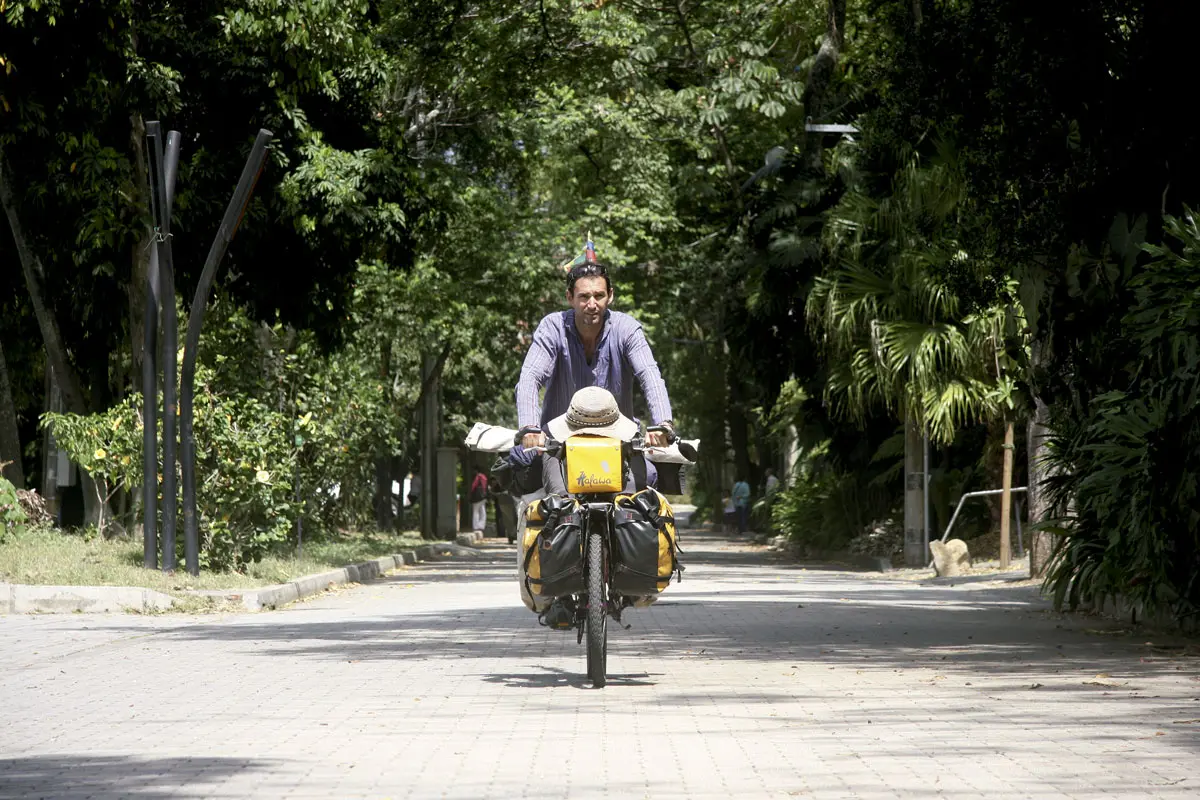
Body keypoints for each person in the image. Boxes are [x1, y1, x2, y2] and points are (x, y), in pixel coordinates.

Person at [514, 248, 675, 496]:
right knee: (553, 505)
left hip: (620, 442)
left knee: (641, 501)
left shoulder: (627, 329)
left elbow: (650, 375)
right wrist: (530, 428)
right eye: (584, 296)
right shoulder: (552, 328)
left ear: (610, 296)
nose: (592, 304)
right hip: (559, 445)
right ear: (569, 297)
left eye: (599, 296)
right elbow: (530, 377)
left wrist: (663, 424)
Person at [469, 467, 488, 533]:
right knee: (483, 511)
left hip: (477, 497)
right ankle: (481, 526)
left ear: (476, 470)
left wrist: (471, 493)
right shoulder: (484, 477)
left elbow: (474, 485)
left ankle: (475, 526)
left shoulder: (478, 476)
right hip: (483, 496)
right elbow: (485, 486)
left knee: (475, 511)